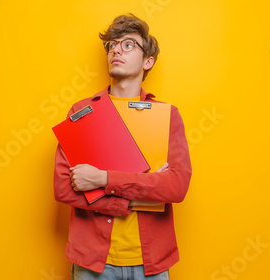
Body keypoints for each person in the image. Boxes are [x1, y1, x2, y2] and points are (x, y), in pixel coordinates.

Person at [53, 14, 192, 280]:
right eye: (112, 45)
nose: (116, 49)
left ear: (147, 61)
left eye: (128, 44)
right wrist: (135, 197)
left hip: (151, 263)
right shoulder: (82, 111)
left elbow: (176, 186)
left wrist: (101, 178)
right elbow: (62, 187)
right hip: (92, 262)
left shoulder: (167, 116)